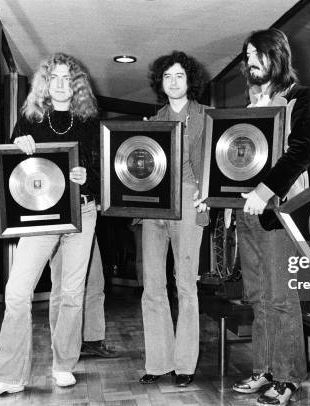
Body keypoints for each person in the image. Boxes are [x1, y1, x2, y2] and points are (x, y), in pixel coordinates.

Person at [196, 28, 310, 405]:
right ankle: (264, 370)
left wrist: (266, 190)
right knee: (259, 297)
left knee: (282, 297)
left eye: (257, 54)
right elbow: (233, 163)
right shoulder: (246, 107)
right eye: (247, 55)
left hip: (280, 212)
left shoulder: (301, 97)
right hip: (245, 216)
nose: (251, 61)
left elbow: (302, 150)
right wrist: (212, 197)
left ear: (277, 56)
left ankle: (289, 377)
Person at [0, 53, 100, 398]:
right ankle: (8, 375)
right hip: (42, 217)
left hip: (83, 212)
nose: (62, 84)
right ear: (46, 84)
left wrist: (86, 176)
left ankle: (63, 365)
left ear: (77, 85)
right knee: (18, 292)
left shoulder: (90, 121)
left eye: (68, 78)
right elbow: (11, 168)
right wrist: (17, 146)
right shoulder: (30, 118)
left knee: (70, 294)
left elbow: (102, 172)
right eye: (55, 78)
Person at [139, 51, 208, 388]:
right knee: (152, 285)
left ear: (189, 80)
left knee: (185, 284)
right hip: (155, 206)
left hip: (190, 201)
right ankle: (158, 361)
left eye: (179, 75)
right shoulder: (153, 123)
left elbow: (218, 164)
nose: (174, 82)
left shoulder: (207, 117)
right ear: (160, 83)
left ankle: (184, 365)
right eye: (167, 77)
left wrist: (206, 193)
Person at [49, 236, 120, 358]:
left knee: (95, 283)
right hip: (57, 224)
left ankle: (92, 340)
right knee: (61, 287)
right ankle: (62, 347)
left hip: (85, 221)